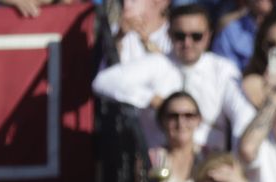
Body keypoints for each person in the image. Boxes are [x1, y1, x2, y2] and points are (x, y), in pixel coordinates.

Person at [92, 4, 258, 151]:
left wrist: (240, 154)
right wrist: (152, 99)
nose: (187, 43)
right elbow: (103, 82)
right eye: (180, 36)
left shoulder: (222, 69)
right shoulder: (158, 63)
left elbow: (242, 115)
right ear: (170, 35)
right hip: (162, 167)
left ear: (208, 36)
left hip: (206, 165)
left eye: (196, 36)